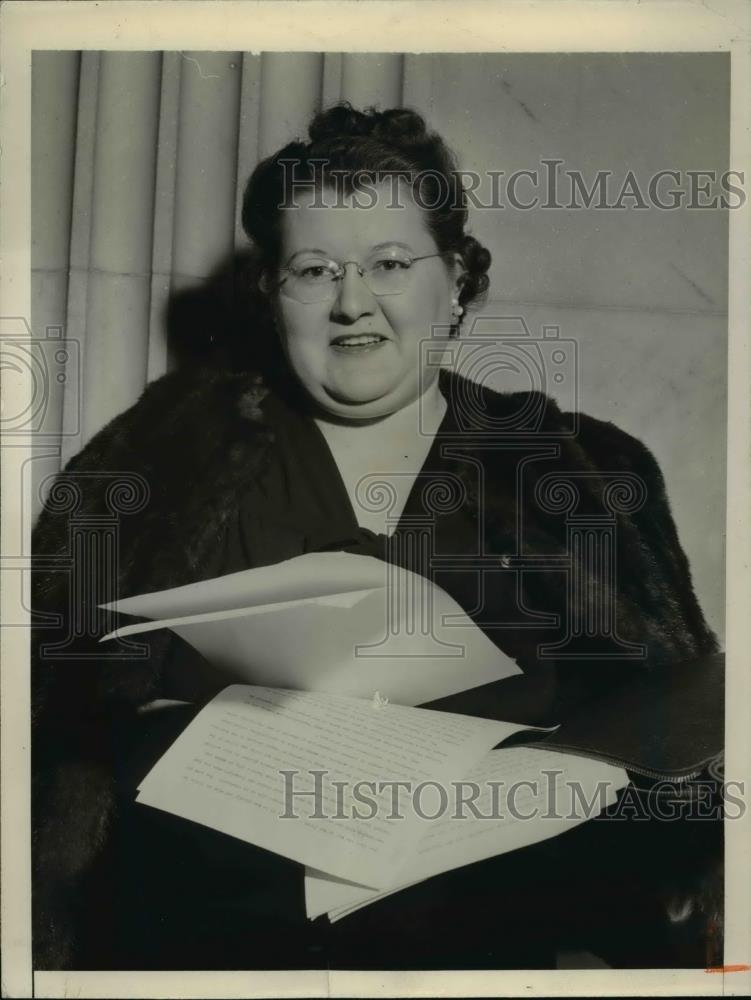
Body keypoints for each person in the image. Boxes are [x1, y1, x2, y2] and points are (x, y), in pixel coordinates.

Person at [31, 103, 722, 971]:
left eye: (389, 263)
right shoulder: (148, 470)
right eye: (314, 270)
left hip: (500, 959)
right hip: (217, 959)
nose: (353, 303)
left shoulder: (580, 476)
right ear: (270, 292)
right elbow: (52, 736)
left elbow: (678, 752)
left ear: (459, 278)